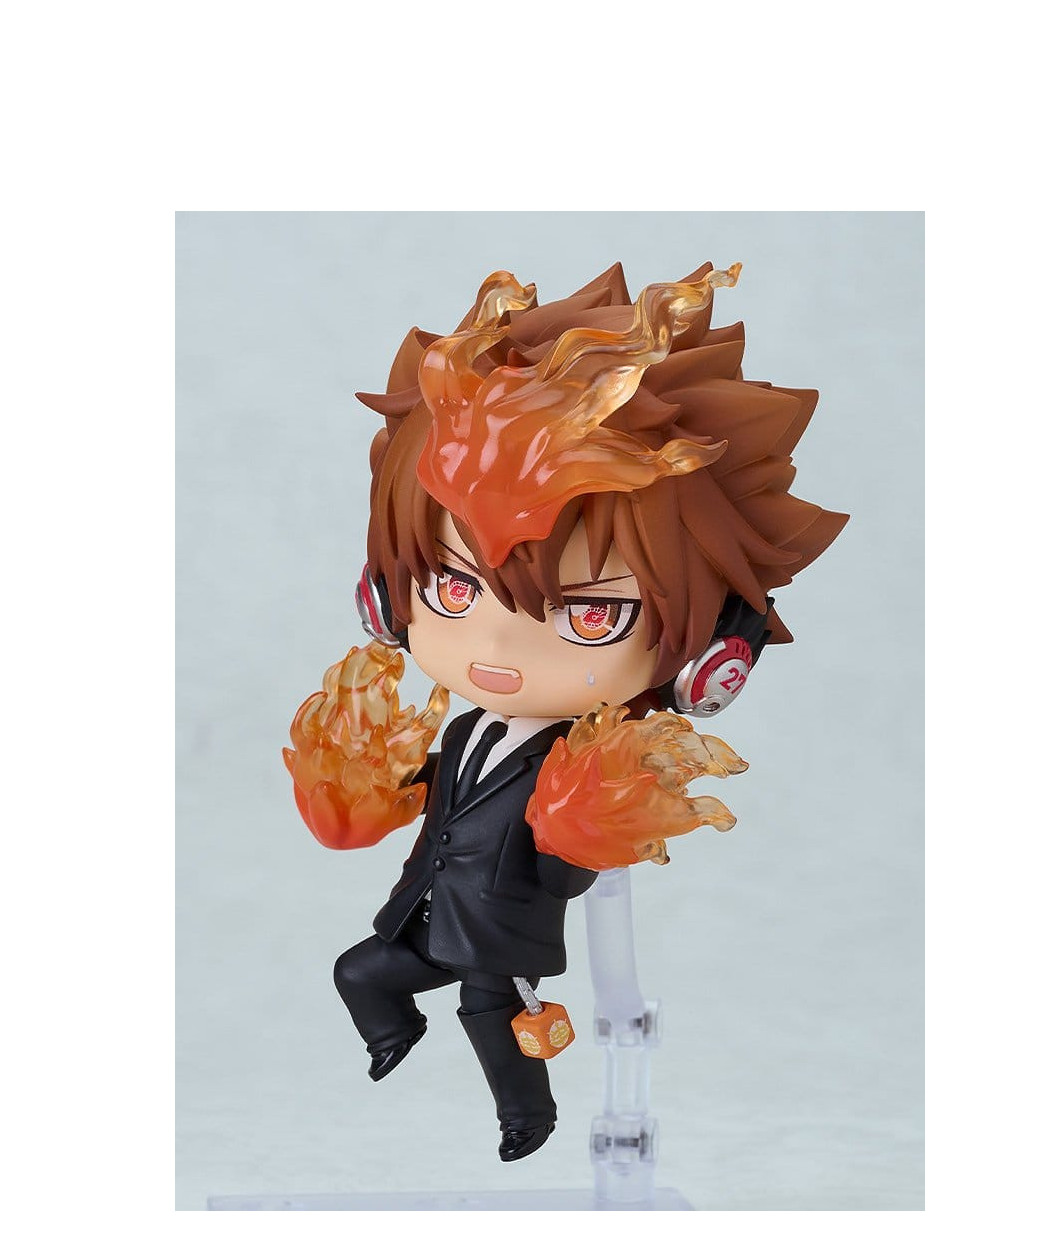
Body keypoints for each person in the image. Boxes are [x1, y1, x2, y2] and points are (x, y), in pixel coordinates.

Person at [285, 261, 847, 1160]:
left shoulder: (584, 759)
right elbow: (441, 790)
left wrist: (585, 829)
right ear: (386, 599)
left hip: (503, 923)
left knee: (489, 1013)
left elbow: (569, 862)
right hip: (430, 909)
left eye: (590, 615)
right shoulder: (467, 725)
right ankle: (396, 1035)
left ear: (711, 662)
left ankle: (528, 1117)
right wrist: (366, 789)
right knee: (361, 972)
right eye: (453, 590)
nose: (498, 648)